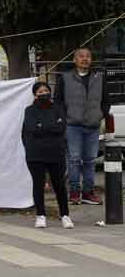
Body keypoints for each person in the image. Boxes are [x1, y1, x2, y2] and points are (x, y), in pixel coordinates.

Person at [55, 47, 111, 205]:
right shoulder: (65, 78)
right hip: (73, 126)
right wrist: (64, 119)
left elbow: (106, 100)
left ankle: (88, 193)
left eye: (88, 56)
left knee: (90, 160)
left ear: (91, 59)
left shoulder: (99, 77)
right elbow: (58, 101)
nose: (85, 59)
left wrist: (101, 114)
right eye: (81, 56)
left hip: (93, 126)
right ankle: (74, 193)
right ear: (75, 59)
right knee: (73, 160)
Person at [22, 82, 73, 229]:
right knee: (38, 185)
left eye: (46, 90)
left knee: (59, 185)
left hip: (56, 152)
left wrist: (42, 126)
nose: (43, 93)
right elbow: (32, 128)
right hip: (35, 153)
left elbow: (61, 127)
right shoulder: (29, 110)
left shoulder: (58, 108)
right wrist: (50, 126)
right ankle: (40, 215)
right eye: (40, 91)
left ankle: (65, 215)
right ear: (35, 94)